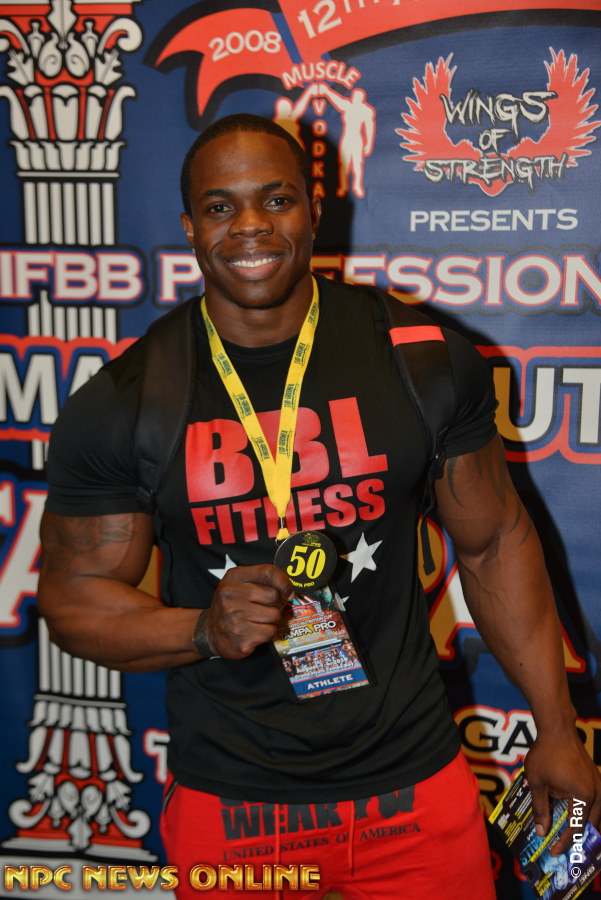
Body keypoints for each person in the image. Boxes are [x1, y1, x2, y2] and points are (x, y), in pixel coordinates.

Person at [38, 114, 601, 899]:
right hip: (235, 803)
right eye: (221, 207)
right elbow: (72, 599)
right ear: (189, 227)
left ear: (313, 209)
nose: (251, 226)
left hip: (413, 787)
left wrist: (556, 728)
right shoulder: (124, 401)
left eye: (276, 200)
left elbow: (495, 542)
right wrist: (200, 629)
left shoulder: (420, 357)